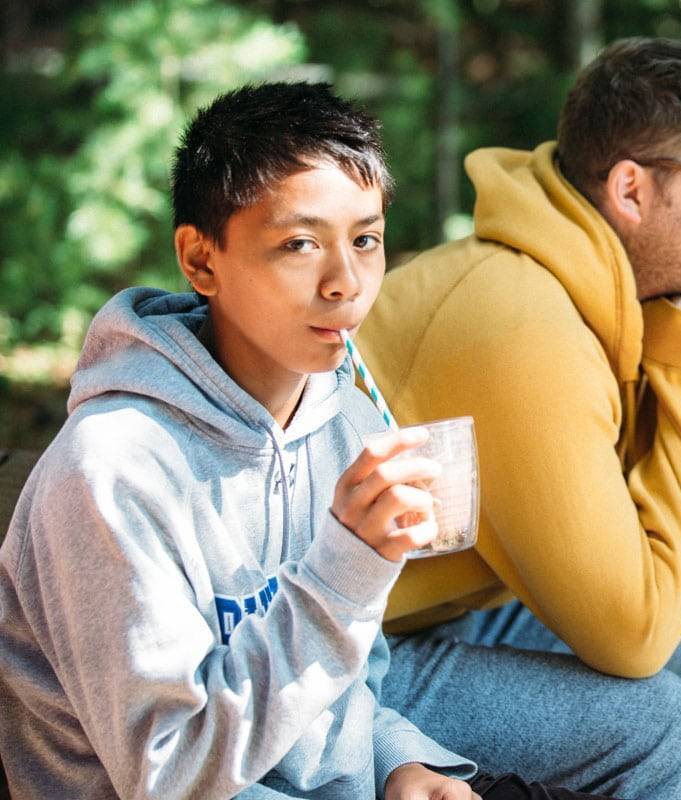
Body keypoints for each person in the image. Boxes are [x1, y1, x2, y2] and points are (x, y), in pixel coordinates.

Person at [0, 82, 616, 800]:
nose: (346, 282)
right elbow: (169, 770)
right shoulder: (113, 468)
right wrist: (343, 567)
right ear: (201, 261)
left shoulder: (345, 418)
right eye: (299, 244)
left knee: (655, 722)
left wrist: (396, 761)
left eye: (365, 240)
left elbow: (350, 682)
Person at [356, 38, 681, 800]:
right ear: (631, 189)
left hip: (432, 624)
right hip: (330, 663)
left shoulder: (598, 297)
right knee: (658, 718)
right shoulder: (519, 324)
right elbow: (634, 635)